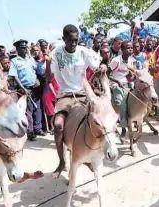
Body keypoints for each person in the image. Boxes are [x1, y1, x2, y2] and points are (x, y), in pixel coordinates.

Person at [49, 24, 106, 177]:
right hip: (65, 95)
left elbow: (96, 66)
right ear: (64, 39)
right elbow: (51, 74)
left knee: (99, 120)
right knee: (58, 125)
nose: (73, 43)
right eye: (70, 40)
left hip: (82, 93)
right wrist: (48, 62)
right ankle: (61, 161)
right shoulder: (56, 53)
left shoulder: (84, 52)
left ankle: (92, 154)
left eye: (76, 40)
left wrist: (102, 67)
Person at [9, 39, 42, 140]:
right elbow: (14, 76)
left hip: (35, 88)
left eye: (25, 48)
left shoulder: (31, 59)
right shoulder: (15, 61)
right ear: (18, 49)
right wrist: (23, 88)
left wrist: (37, 79)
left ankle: (37, 129)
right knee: (29, 112)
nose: (24, 50)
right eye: (22, 48)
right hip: (25, 89)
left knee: (37, 109)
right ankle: (30, 132)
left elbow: (36, 70)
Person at [109, 41, 137, 128]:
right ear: (122, 49)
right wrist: (117, 82)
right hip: (116, 84)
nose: (130, 49)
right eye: (128, 48)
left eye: (131, 48)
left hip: (128, 84)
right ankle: (124, 126)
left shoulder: (132, 60)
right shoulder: (116, 61)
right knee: (121, 103)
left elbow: (133, 76)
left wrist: (132, 77)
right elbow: (107, 74)